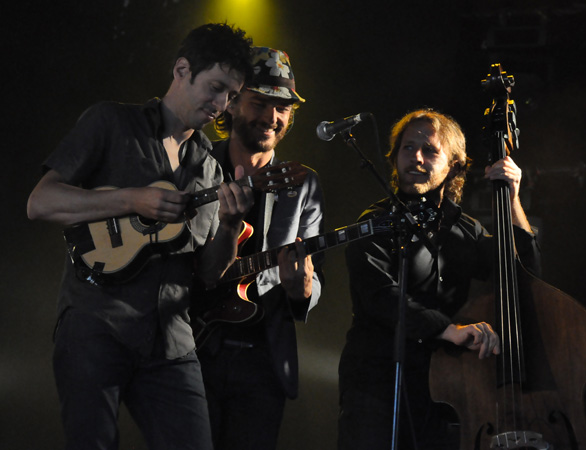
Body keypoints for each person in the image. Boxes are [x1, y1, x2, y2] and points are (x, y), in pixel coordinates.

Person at [26, 23, 256, 450]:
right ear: (182, 69)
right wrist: (133, 200)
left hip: (171, 342)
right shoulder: (111, 122)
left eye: (230, 95)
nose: (221, 104)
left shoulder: (209, 168)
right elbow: (40, 202)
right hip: (96, 324)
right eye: (215, 87)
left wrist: (228, 225)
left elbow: (208, 273)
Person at [337, 109, 541, 449]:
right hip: (376, 382)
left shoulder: (466, 231)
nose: (415, 157)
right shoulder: (374, 222)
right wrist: (448, 330)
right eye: (407, 147)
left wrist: (512, 198)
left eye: (429, 150)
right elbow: (378, 294)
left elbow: (524, 273)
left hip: (446, 387)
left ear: (455, 166)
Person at [193, 47, 325, 450]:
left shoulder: (303, 184)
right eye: (261, 103)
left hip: (263, 359)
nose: (272, 117)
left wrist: (301, 289)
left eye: (283, 107)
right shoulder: (195, 167)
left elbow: (313, 282)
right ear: (231, 104)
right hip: (194, 350)